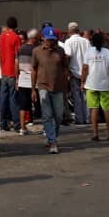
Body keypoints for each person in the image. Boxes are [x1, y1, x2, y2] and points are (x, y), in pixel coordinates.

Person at [31, 26, 69, 154]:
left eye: (53, 40)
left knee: (58, 116)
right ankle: (53, 141)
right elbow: (34, 70)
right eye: (48, 40)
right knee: (47, 115)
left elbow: (65, 68)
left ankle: (51, 136)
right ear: (43, 38)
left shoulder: (61, 51)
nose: (51, 42)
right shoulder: (37, 51)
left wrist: (65, 87)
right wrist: (33, 89)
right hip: (43, 86)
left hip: (58, 87)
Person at [82, 31, 109, 142]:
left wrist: (82, 82)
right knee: (107, 109)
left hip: (91, 84)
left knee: (94, 109)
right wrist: (106, 72)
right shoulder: (107, 52)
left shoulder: (88, 52)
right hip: (105, 84)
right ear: (102, 42)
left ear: (92, 41)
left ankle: (95, 134)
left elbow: (84, 68)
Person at [0, 17, 22, 132]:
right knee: (13, 99)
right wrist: (18, 74)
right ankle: (17, 124)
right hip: (12, 71)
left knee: (3, 98)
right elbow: (18, 57)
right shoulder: (16, 38)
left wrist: (2, 68)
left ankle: (3, 123)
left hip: (4, 72)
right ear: (16, 25)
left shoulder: (1, 37)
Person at [63, 22, 89, 125]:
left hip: (74, 73)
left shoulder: (68, 42)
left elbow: (68, 56)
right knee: (86, 97)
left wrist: (67, 70)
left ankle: (80, 119)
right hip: (86, 73)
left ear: (69, 31)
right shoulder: (86, 41)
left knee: (77, 97)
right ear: (78, 30)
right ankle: (87, 118)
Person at [16, 30, 39, 135]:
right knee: (40, 103)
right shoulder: (36, 50)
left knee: (22, 105)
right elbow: (37, 66)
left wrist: (17, 79)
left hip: (22, 80)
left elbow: (16, 65)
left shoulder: (20, 48)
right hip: (34, 80)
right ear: (33, 38)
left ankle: (22, 128)